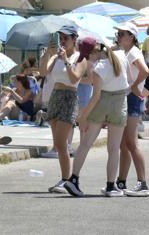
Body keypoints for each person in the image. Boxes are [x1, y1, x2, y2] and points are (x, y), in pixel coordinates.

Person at [64, 42, 130, 197]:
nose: (87, 60)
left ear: (93, 54)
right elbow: (130, 78)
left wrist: (83, 116)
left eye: (87, 57)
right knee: (114, 148)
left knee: (86, 143)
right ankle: (110, 186)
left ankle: (73, 179)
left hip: (101, 102)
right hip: (120, 101)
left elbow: (96, 96)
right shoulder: (121, 56)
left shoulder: (98, 68)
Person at [39, 25, 89, 194]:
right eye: (61, 38)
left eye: (66, 38)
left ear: (74, 39)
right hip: (55, 96)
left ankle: (67, 179)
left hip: (69, 98)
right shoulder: (56, 57)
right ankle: (64, 179)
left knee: (62, 143)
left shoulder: (80, 58)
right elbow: (43, 72)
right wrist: (48, 53)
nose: (63, 41)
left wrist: (66, 60)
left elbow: (75, 77)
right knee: (58, 144)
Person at [115, 22, 149, 197]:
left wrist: (134, 86)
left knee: (131, 143)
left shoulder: (134, 52)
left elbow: (145, 71)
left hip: (132, 98)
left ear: (132, 37)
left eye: (123, 33)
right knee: (124, 144)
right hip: (128, 97)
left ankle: (142, 183)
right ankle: (121, 181)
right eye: (119, 33)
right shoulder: (126, 52)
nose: (119, 36)